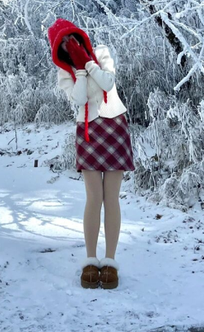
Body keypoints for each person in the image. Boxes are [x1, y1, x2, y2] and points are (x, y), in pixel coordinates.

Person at [48, 18, 135, 290]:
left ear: (79, 36)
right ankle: (89, 260)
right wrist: (80, 72)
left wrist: (88, 63)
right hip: (87, 131)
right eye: (62, 44)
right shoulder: (65, 73)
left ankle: (110, 261)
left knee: (112, 197)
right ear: (57, 49)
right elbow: (80, 100)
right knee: (93, 198)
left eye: (70, 39)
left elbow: (108, 83)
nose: (68, 45)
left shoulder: (103, 53)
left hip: (114, 126)